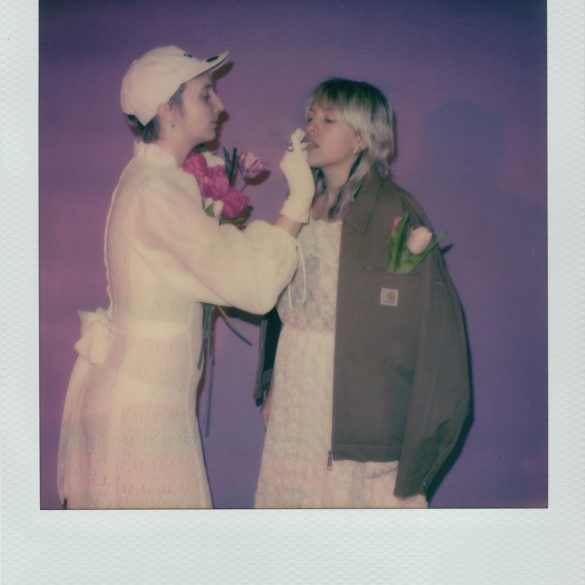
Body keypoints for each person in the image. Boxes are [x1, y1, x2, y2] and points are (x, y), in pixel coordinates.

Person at [57, 46, 314, 509]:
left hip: (149, 399)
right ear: (167, 110)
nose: (220, 106)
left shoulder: (157, 180)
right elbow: (251, 283)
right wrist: (298, 200)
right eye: (205, 94)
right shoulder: (157, 189)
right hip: (143, 410)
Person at [254, 78, 471, 508]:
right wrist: (273, 384)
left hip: (352, 391)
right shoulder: (300, 206)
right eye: (309, 116)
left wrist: (399, 424)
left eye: (328, 118)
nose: (311, 126)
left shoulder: (394, 210)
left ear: (361, 139)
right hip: (296, 384)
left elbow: (424, 327)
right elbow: (280, 305)